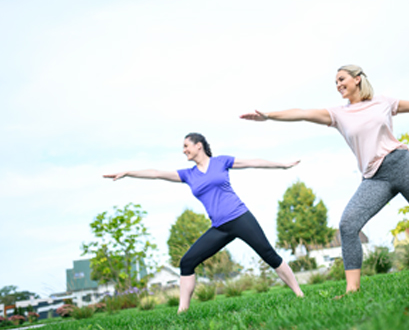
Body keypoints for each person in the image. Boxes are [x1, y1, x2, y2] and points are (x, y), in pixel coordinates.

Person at [240, 64, 409, 296]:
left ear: (357, 79)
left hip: (402, 165)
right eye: (336, 83)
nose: (339, 85)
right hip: (375, 177)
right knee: (348, 225)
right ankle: (352, 290)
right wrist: (269, 116)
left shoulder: (382, 102)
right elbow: (302, 113)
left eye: (342, 79)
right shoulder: (338, 114)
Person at [103, 132, 304, 312]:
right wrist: (128, 172)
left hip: (240, 217)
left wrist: (282, 165)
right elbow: (156, 174)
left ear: (198, 145)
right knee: (187, 262)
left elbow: (253, 162)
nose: (184, 151)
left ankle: (299, 294)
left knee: (269, 255)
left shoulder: (221, 162)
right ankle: (183, 311)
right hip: (219, 227)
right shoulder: (188, 174)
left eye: (186, 146)